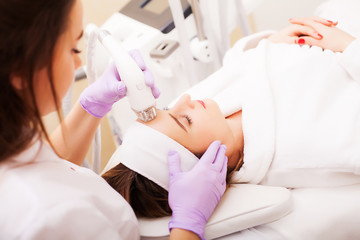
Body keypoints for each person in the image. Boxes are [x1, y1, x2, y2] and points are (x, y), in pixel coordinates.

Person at [0, 0, 228, 239]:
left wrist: (90, 107)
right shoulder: (47, 220)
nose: (79, 63)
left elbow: (43, 172)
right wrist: (188, 226)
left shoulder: (14, 144)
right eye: (73, 49)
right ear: (21, 69)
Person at [102, 16, 360, 223]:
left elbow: (235, 63)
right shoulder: (303, 147)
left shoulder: (208, 114)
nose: (185, 100)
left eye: (167, 108)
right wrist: (349, 47)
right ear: (210, 163)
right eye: (184, 120)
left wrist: (270, 43)